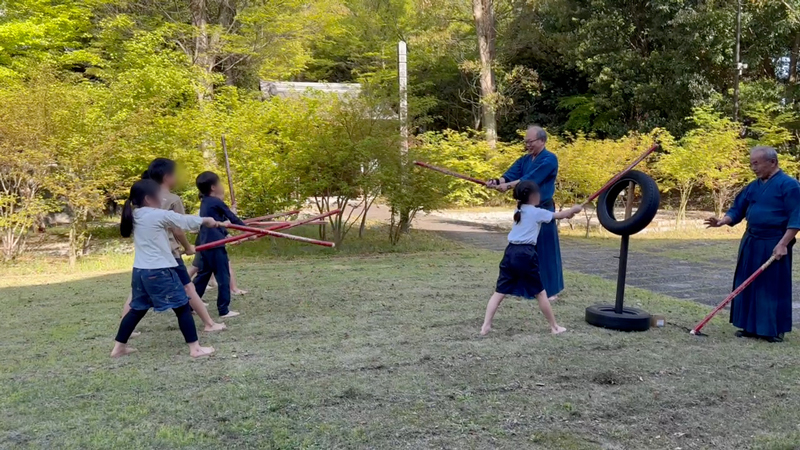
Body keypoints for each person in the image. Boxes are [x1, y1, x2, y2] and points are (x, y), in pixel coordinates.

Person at [112, 179, 225, 358]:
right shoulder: (156, 215)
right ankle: (195, 349)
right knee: (182, 307)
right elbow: (183, 221)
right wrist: (207, 220)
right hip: (160, 270)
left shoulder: (136, 214)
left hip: (140, 271)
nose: (162, 199)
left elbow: (180, 222)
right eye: (159, 196)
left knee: (137, 308)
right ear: (148, 198)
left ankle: (118, 348)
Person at [705, 146, 800, 343]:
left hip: (774, 241)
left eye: (756, 164)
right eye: (751, 164)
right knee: (746, 281)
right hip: (751, 240)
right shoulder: (753, 186)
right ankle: (749, 326)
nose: (753, 168)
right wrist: (723, 221)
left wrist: (783, 243)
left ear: (772, 162)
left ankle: (772, 329)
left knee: (771, 285)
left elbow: (796, 216)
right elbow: (738, 208)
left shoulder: (790, 185)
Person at [480, 181, 582, 336]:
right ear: (533, 196)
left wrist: (570, 213)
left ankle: (485, 326)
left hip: (510, 252)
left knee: (499, 292)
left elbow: (560, 216)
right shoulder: (536, 212)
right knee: (540, 293)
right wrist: (574, 209)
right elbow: (561, 215)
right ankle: (554, 327)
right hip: (525, 254)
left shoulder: (519, 210)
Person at [487, 125, 563, 301]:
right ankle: (523, 288)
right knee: (523, 249)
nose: (527, 145)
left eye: (530, 142)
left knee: (544, 248)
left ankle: (550, 290)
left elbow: (530, 179)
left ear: (542, 140)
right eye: (525, 142)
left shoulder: (550, 159)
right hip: (524, 210)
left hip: (542, 209)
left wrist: (508, 186)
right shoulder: (524, 159)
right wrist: (496, 181)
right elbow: (510, 174)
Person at [193, 171, 246, 318]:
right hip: (215, 245)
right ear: (213, 187)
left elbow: (219, 222)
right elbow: (232, 218)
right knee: (223, 276)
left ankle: (190, 304)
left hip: (206, 243)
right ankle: (224, 309)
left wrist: (229, 232)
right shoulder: (216, 202)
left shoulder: (205, 202)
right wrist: (248, 230)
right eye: (219, 183)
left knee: (203, 275)